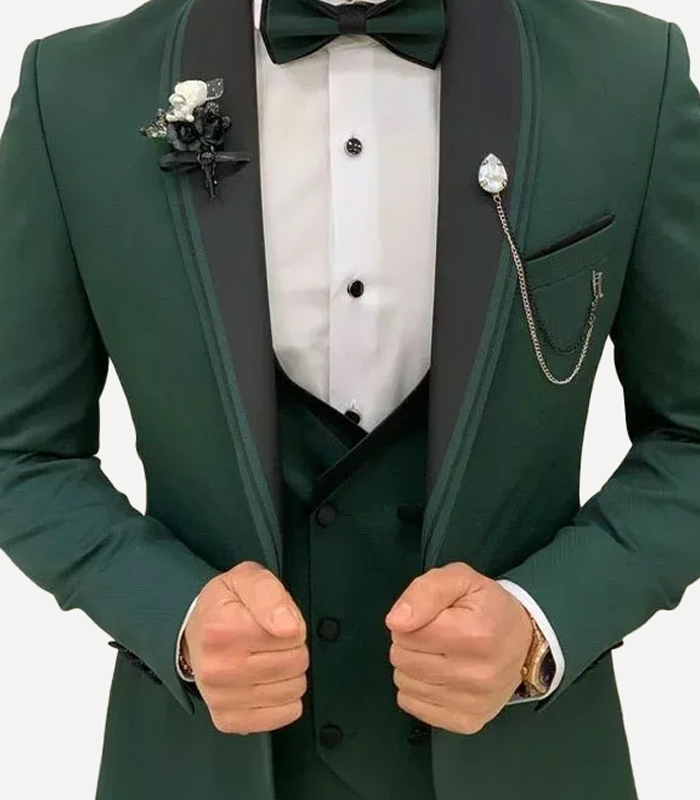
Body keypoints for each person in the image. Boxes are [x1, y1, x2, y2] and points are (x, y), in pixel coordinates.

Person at [1, 0, 699, 797]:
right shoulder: (74, 93)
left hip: (528, 761)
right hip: (203, 764)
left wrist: (545, 619)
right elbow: (22, 450)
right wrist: (172, 614)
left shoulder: (630, 78)